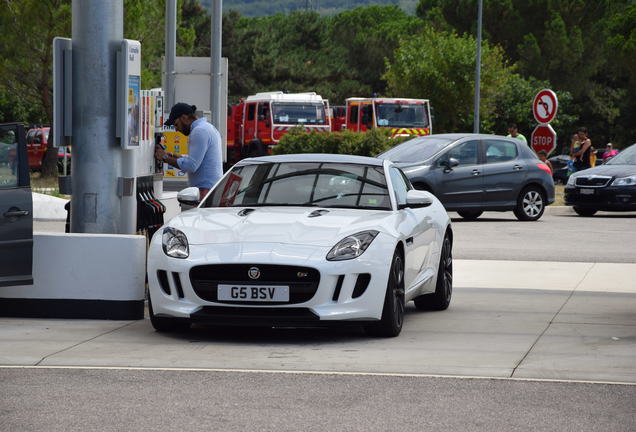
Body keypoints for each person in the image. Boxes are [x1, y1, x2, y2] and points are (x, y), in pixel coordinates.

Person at [155, 103, 223, 200]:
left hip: (205, 192)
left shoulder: (199, 131)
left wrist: (165, 158)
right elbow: (199, 160)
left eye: (176, 124)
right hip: (211, 190)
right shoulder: (207, 127)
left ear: (184, 117)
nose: (176, 130)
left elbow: (191, 165)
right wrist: (173, 156)